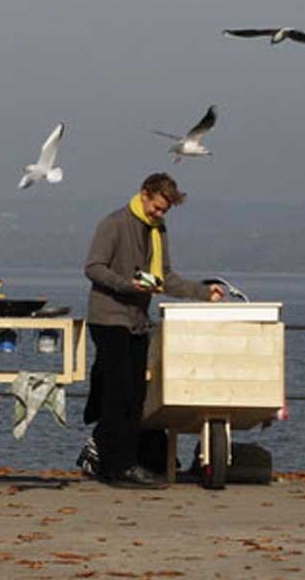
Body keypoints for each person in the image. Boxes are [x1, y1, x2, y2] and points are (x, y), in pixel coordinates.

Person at [82, 173, 223, 488]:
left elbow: (165, 276)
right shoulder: (114, 224)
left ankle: (119, 460)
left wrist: (203, 291)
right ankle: (118, 467)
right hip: (109, 318)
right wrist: (126, 284)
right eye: (157, 208)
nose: (159, 214)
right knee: (119, 394)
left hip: (137, 320)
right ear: (144, 194)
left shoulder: (157, 230)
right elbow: (93, 267)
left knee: (136, 395)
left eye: (164, 211)